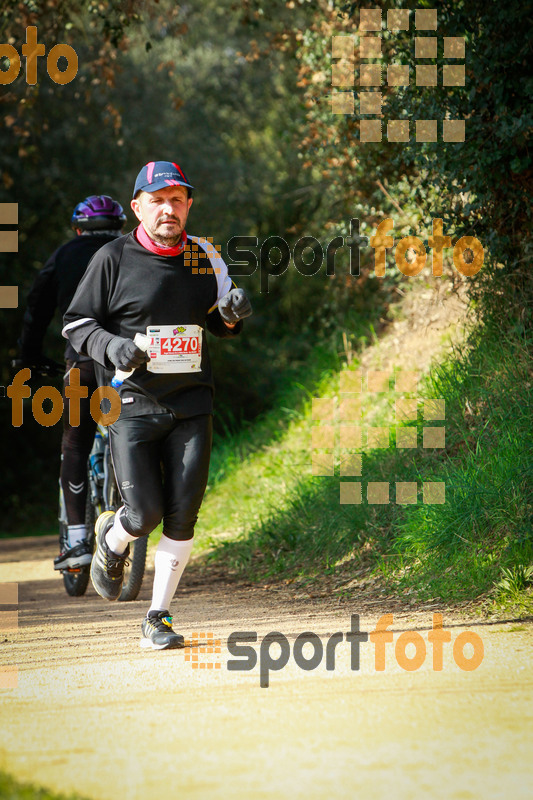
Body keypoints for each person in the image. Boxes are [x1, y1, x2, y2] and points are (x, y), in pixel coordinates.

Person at [62, 160, 252, 650]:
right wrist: (112, 347)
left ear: (188, 205)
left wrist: (233, 316)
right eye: (158, 200)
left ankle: (158, 617)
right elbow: (76, 324)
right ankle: (111, 539)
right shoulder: (112, 258)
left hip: (192, 401)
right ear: (137, 207)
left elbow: (219, 316)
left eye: (177, 199)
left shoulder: (204, 255)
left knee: (183, 514)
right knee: (143, 513)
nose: (168, 209)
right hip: (131, 401)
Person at [17, 195, 126, 570]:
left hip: (81, 361)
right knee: (138, 431)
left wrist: (27, 356)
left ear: (78, 228)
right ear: (121, 226)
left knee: (76, 440)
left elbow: (37, 307)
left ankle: (77, 539)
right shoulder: (129, 250)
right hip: (128, 363)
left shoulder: (64, 255)